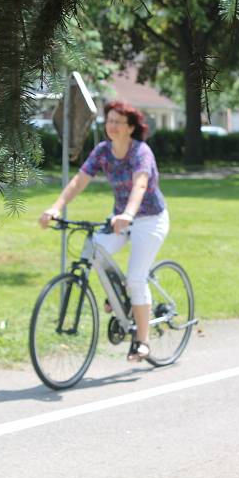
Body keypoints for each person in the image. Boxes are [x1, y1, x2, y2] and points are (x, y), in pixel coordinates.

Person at [38, 101, 169, 362]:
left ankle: (142, 341)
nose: (112, 126)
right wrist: (56, 208)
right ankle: (120, 297)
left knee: (136, 279)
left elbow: (140, 185)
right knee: (93, 251)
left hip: (149, 218)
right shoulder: (103, 151)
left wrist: (129, 215)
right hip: (119, 217)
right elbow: (79, 180)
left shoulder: (141, 152)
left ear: (131, 128)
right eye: (109, 121)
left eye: (118, 122)